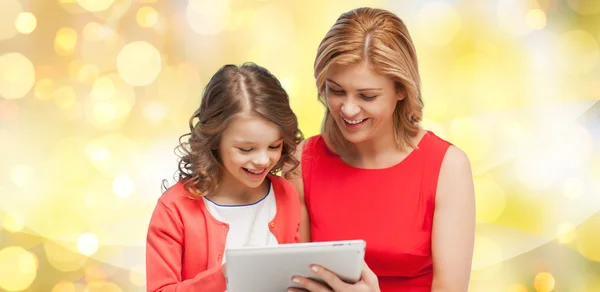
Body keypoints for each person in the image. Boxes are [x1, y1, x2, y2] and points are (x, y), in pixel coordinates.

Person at [287, 7, 476, 292]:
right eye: (336, 90)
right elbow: (292, 279)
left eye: (367, 95)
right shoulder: (302, 162)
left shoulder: (447, 168)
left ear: (401, 90)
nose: (348, 109)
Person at [145, 63, 304, 291]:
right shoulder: (174, 209)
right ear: (215, 141)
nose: (262, 160)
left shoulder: (285, 194)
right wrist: (225, 275)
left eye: (273, 146)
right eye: (246, 149)